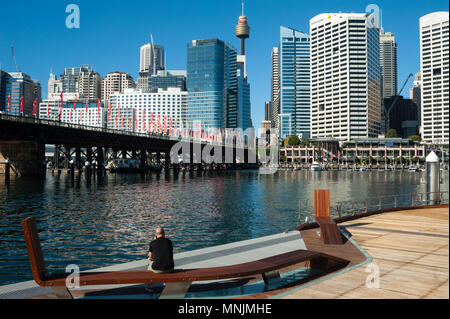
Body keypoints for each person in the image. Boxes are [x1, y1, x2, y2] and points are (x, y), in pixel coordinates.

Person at [145, 227, 174, 292]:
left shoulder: (152, 243)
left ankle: (150, 287)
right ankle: (166, 285)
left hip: (157, 269)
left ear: (156, 234)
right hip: (170, 268)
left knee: (150, 262)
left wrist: (155, 241)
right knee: (165, 259)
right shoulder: (169, 242)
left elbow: (150, 257)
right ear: (164, 234)